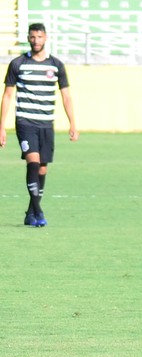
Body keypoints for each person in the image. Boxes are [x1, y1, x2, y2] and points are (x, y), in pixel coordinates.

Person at [0, 23, 78, 227]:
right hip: (25, 122)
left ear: (46, 38)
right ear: (28, 38)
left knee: (42, 168)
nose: (36, 41)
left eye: (39, 37)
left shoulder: (56, 65)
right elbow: (7, 96)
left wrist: (72, 123)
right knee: (33, 163)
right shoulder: (18, 64)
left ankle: (31, 211)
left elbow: (66, 96)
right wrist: (1, 127)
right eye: (32, 37)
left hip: (46, 123)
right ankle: (39, 212)